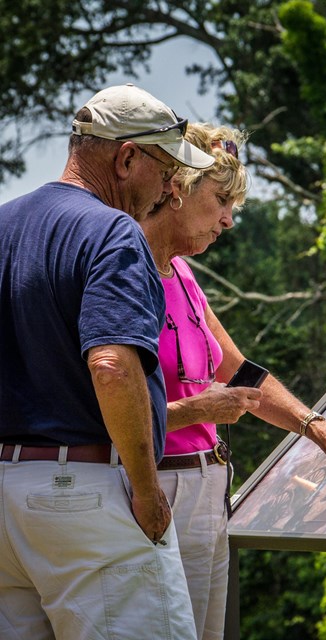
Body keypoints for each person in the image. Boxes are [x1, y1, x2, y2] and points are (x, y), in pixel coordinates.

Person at [140, 123, 326, 639]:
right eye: (220, 201)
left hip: (210, 488)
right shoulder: (124, 269)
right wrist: (194, 411)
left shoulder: (185, 276)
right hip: (158, 488)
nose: (229, 221)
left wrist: (321, 432)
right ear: (177, 190)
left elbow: (240, 372)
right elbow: (98, 402)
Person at [0, 84, 215, 640]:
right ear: (126, 158)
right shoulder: (112, 230)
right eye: (166, 168)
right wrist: (147, 492)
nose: (171, 187)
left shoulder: (4, 224)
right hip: (86, 496)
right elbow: (113, 366)